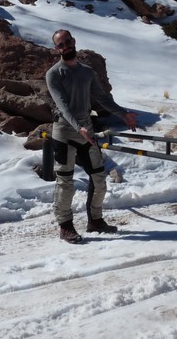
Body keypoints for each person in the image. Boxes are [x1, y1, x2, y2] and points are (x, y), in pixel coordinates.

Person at [45, 29, 137, 244]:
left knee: (99, 177)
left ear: (73, 41)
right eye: (61, 44)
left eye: (67, 42)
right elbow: (63, 106)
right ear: (56, 49)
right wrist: (79, 127)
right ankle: (65, 226)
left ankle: (95, 221)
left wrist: (123, 114)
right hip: (65, 132)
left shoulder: (87, 72)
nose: (65, 46)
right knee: (65, 181)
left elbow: (102, 98)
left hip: (86, 131)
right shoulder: (54, 74)